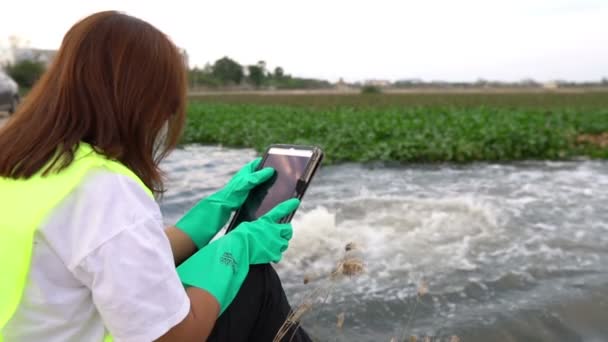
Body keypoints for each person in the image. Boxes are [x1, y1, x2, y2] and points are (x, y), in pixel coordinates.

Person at [0, 11, 311, 342]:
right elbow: (174, 338)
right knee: (253, 281)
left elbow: (110, 255)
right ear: (140, 103)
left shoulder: (25, 163)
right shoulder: (102, 189)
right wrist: (234, 252)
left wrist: (215, 210)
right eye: (166, 107)